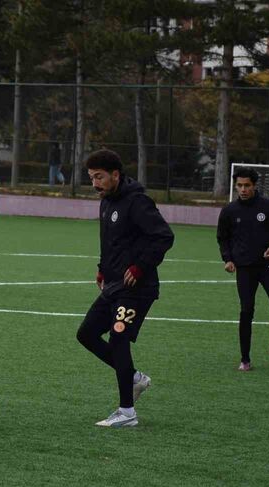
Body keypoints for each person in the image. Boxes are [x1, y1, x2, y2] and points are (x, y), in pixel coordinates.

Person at [76, 149, 174, 428]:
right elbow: (111, 241)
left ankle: (127, 413)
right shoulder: (106, 201)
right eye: (91, 177)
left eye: (99, 177)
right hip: (114, 284)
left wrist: (139, 266)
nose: (95, 183)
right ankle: (133, 378)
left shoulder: (138, 202)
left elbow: (164, 236)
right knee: (86, 334)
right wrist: (102, 268)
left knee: (118, 338)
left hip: (138, 288)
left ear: (115, 175)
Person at [216, 167, 269, 372]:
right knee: (246, 310)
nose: (242, 189)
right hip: (245, 268)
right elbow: (222, 238)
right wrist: (228, 259)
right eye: (239, 185)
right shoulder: (230, 211)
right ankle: (245, 358)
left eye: (246, 185)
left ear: (254, 185)